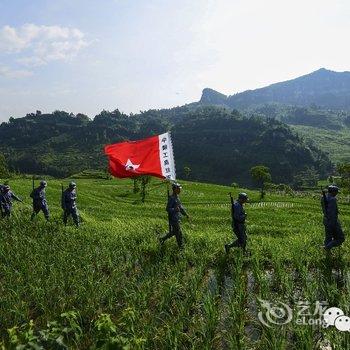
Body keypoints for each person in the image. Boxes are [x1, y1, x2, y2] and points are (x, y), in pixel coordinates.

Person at [160, 182, 189, 248]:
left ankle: (161, 239)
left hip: (177, 218)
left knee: (174, 232)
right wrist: (174, 209)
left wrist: (186, 214)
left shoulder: (177, 198)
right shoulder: (172, 198)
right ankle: (181, 248)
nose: (180, 190)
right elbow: (168, 209)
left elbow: (180, 208)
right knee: (179, 234)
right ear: (175, 189)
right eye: (178, 189)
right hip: (173, 219)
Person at [321, 185, 344, 250]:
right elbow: (332, 213)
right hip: (332, 221)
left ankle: (327, 253)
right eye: (336, 192)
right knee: (341, 238)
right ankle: (327, 247)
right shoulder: (333, 199)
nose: (337, 193)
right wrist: (334, 224)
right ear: (333, 192)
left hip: (325, 220)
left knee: (328, 238)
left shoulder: (323, 198)